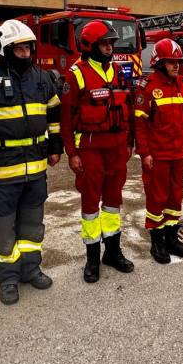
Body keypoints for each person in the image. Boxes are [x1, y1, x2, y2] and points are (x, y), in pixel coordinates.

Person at [0, 19, 62, 305]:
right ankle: (7, 278)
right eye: (19, 49)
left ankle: (31, 268)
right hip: (2, 169)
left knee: (32, 224)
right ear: (3, 50)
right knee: (4, 228)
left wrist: (56, 146)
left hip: (36, 167)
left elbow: (54, 114)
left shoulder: (41, 78)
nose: (26, 53)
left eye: (29, 47)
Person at [60, 19, 134, 283]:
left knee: (113, 201)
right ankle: (92, 257)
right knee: (91, 204)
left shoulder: (120, 71)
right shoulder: (75, 73)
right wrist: (72, 153)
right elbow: (66, 119)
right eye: (104, 43)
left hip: (117, 147)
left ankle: (112, 252)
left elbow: (130, 106)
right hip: (90, 148)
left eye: (111, 42)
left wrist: (130, 142)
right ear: (89, 44)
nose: (109, 47)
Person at [134, 38, 183, 264]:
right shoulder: (148, 86)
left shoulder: (182, 85)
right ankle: (157, 242)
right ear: (159, 63)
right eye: (171, 62)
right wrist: (145, 153)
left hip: (177, 154)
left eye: (178, 61)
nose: (176, 65)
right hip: (158, 156)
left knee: (175, 197)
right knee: (156, 199)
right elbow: (140, 124)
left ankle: (172, 238)